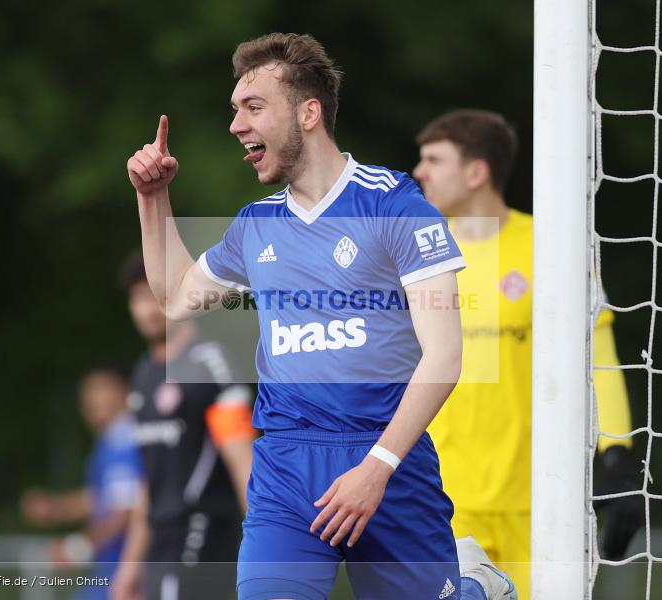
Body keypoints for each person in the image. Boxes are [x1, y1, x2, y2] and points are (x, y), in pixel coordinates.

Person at [125, 32, 516, 600]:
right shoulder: (256, 224)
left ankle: (475, 586)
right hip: (286, 467)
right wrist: (153, 198)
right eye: (234, 110)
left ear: (309, 113)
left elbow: (446, 356)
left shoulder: (395, 205)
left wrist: (376, 468)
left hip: (388, 465)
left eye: (253, 107)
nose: (236, 124)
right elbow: (177, 297)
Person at [414, 109, 644, 599]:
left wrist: (619, 456)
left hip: (539, 498)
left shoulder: (553, 247)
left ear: (477, 172)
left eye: (434, 159)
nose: (419, 172)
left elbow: (598, 358)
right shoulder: (416, 255)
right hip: (443, 496)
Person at [110, 254, 256, 600]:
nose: (146, 309)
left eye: (155, 297)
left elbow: (242, 459)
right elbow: (149, 477)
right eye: (137, 298)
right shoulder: (143, 375)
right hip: (161, 537)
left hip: (203, 528)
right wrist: (129, 565)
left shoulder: (209, 363)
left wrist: (265, 542)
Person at [21, 366, 144, 600]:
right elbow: (103, 498)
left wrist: (75, 548)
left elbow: (126, 509)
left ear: (124, 392)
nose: (89, 398)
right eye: (86, 392)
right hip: (112, 572)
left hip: (126, 573)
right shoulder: (111, 440)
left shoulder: (123, 439)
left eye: (99, 389)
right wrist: (56, 508)